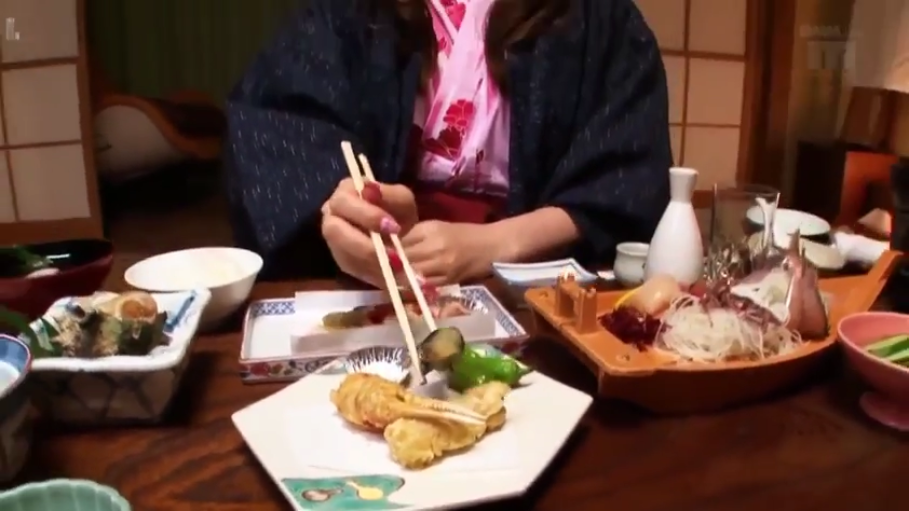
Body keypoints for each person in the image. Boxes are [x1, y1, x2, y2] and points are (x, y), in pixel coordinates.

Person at [225, 0, 672, 286]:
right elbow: (279, 121)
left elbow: (626, 177)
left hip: (532, 283)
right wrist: (346, 209)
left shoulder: (599, 16)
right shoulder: (347, 10)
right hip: (374, 281)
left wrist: (496, 245)